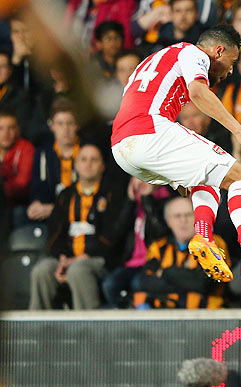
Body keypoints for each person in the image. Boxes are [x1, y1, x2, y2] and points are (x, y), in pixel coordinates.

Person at [110, 24, 241, 284]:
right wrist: (239, 130)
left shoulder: (151, 62)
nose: (230, 71)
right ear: (218, 51)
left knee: (208, 178)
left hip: (121, 147)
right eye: (231, 63)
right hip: (150, 131)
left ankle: (203, 237)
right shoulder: (193, 53)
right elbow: (198, 92)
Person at [29, 144, 121, 310]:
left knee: (78, 270)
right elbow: (55, 234)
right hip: (68, 257)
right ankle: (37, 330)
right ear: (76, 165)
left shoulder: (113, 193)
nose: (88, 164)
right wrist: (62, 258)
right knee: (42, 270)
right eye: (83, 159)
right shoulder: (65, 196)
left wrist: (81, 257)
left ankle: (87, 330)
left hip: (99, 260)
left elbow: (113, 236)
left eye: (94, 160)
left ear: (102, 166)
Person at [132, 196, 228, 309]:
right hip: (165, 316)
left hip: (207, 316)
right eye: (177, 216)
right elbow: (144, 283)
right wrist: (187, 279)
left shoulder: (212, 243)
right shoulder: (158, 247)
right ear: (168, 221)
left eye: (188, 215)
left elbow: (203, 284)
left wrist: (165, 273)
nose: (183, 221)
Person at [101, 177, 170, 308]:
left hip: (153, 263)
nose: (141, 182)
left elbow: (160, 234)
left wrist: (147, 199)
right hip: (131, 263)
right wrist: (130, 201)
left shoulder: (165, 198)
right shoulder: (129, 201)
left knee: (137, 283)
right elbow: (117, 234)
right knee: (109, 285)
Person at [28, 98, 80, 223]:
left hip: (80, 213)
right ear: (52, 126)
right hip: (49, 215)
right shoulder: (43, 152)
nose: (65, 129)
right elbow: (37, 186)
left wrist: (53, 209)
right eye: (60, 124)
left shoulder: (88, 152)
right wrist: (36, 203)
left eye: (70, 123)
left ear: (77, 125)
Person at [0, 110, 33, 227]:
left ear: (18, 130)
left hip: (18, 204)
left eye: (11, 128)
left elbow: (22, 185)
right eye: (1, 128)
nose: (6, 133)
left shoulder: (26, 148)